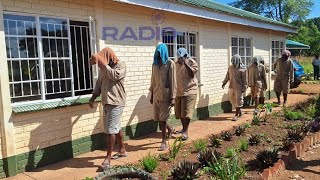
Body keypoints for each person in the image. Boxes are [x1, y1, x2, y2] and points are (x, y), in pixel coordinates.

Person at [88, 47, 127, 169]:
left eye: (101, 60)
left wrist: (104, 66)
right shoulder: (103, 69)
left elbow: (115, 76)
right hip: (106, 102)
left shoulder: (121, 65)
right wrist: (92, 98)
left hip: (116, 101)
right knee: (115, 127)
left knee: (111, 130)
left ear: (108, 57)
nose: (99, 64)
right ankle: (122, 150)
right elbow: (99, 84)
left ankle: (108, 159)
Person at [149, 43, 176, 151]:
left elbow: (173, 81)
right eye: (157, 53)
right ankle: (171, 129)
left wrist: (173, 97)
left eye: (160, 53)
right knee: (159, 118)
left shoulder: (170, 63)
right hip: (156, 95)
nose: (159, 56)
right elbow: (153, 81)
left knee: (163, 119)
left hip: (166, 95)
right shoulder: (154, 65)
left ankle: (163, 142)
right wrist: (151, 95)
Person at [173, 48, 198, 141]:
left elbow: (192, 74)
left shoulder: (191, 62)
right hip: (179, 91)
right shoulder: (175, 64)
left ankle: (185, 132)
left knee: (186, 113)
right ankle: (183, 128)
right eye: (179, 57)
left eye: (182, 57)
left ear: (185, 56)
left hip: (190, 90)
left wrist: (186, 64)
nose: (180, 59)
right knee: (179, 113)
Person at [222, 54, 247, 121]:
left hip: (239, 87)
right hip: (231, 86)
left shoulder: (243, 69)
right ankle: (240, 111)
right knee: (232, 100)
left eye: (234, 60)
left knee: (238, 100)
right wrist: (224, 83)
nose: (233, 62)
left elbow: (245, 80)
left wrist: (244, 87)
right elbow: (227, 76)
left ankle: (236, 115)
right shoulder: (230, 67)